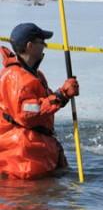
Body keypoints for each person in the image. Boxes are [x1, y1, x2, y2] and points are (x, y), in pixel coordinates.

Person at [0, 23, 80, 180]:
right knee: (31, 200)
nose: (45, 46)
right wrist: (62, 95)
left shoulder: (35, 75)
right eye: (41, 42)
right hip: (22, 157)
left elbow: (45, 103)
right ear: (29, 46)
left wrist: (64, 93)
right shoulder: (15, 76)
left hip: (38, 150)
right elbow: (27, 114)